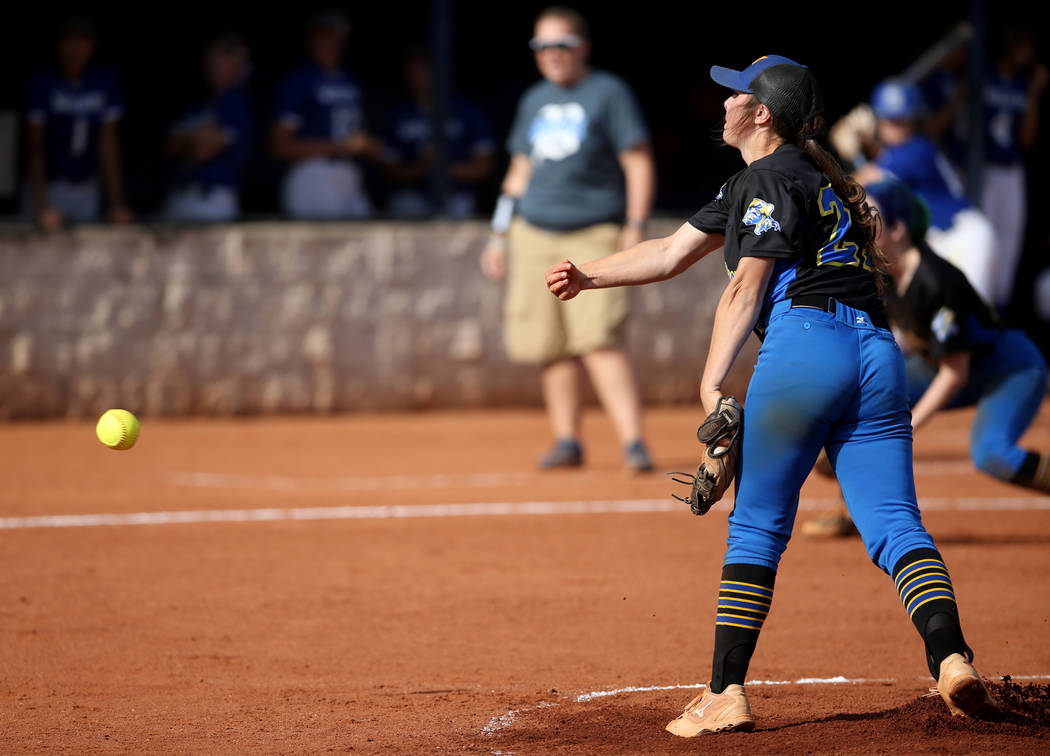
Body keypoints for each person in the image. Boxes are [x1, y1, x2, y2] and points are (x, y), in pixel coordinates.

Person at [545, 55, 997, 734]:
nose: (724, 102)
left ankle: (726, 692)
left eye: (737, 95)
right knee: (896, 523)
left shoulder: (766, 178)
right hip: (877, 356)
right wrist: (589, 276)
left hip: (806, 347)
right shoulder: (813, 179)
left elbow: (745, 288)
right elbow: (670, 253)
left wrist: (710, 385)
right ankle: (951, 657)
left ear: (762, 114)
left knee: (757, 523)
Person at [802, 179, 1050, 538]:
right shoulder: (881, 275)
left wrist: (905, 427)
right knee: (857, 403)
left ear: (899, 229)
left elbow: (955, 372)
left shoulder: (935, 282)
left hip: (1010, 369)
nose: (858, 226)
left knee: (993, 454)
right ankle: (855, 509)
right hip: (942, 364)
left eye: (868, 217)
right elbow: (904, 342)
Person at [480, 6, 655, 472]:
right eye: (542, 46)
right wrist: (498, 234)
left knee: (598, 337)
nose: (552, 54)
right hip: (533, 233)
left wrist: (634, 225)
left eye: (561, 44)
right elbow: (518, 172)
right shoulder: (533, 99)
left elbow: (637, 161)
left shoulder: (608, 93)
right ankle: (566, 441)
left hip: (594, 232)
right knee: (549, 343)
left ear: (583, 47)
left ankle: (634, 443)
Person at [853, 79, 999, 308]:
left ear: (914, 121)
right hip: (943, 243)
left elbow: (858, 184)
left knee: (969, 320)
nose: (897, 128)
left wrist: (851, 150)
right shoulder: (906, 151)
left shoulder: (916, 149)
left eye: (903, 121)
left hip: (963, 237)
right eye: (891, 121)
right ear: (879, 122)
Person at [270, 9, 382, 219]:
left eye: (333, 37)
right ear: (311, 41)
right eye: (322, 37)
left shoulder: (350, 82)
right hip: (314, 173)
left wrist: (370, 146)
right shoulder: (300, 81)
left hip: (349, 174)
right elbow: (279, 145)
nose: (328, 44)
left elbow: (354, 136)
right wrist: (340, 146)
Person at [25, 17, 132, 229]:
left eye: (83, 41)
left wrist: (117, 203)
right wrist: (41, 205)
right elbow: (35, 147)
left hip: (86, 186)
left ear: (92, 46)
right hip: (50, 185)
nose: (75, 49)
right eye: (69, 41)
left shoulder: (103, 81)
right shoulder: (43, 82)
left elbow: (108, 145)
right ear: (59, 44)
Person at [979, 27, 1048, 312]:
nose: (1027, 54)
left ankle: (1000, 307)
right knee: (983, 236)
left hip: (1012, 170)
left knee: (1010, 240)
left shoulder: (1023, 84)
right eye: (1023, 46)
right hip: (984, 167)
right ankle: (981, 303)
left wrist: (1034, 93)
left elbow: (1027, 140)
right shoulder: (984, 77)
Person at [383, 48, 496, 219]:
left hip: (456, 195)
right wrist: (421, 167)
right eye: (415, 70)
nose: (419, 76)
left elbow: (485, 167)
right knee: (405, 205)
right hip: (412, 195)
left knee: (460, 210)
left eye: (425, 69)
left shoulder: (465, 111)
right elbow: (390, 170)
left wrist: (446, 168)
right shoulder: (399, 114)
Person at [163, 33, 254, 222]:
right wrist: (196, 138)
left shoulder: (236, 102)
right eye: (212, 56)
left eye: (222, 56)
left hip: (212, 200)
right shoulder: (198, 104)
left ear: (237, 64)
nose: (214, 62)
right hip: (180, 196)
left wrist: (188, 140)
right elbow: (168, 147)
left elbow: (204, 150)